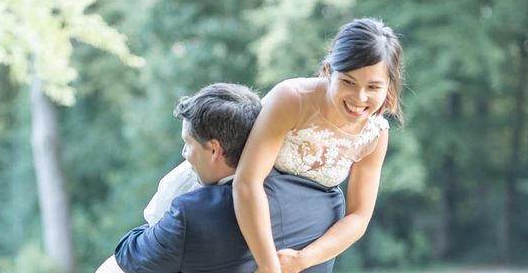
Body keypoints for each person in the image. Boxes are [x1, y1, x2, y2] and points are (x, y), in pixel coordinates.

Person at [106, 82, 345, 273]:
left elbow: (129, 255)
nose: (185, 155)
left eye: (188, 145)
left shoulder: (192, 213)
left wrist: (177, 182)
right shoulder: (324, 197)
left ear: (214, 149)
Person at [233, 17, 404, 273]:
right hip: (240, 223)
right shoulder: (292, 99)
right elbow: (246, 182)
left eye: (373, 87)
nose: (360, 98)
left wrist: (302, 260)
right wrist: (270, 266)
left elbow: (359, 216)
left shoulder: (376, 134)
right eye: (348, 82)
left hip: (304, 250)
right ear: (328, 71)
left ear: (389, 85)